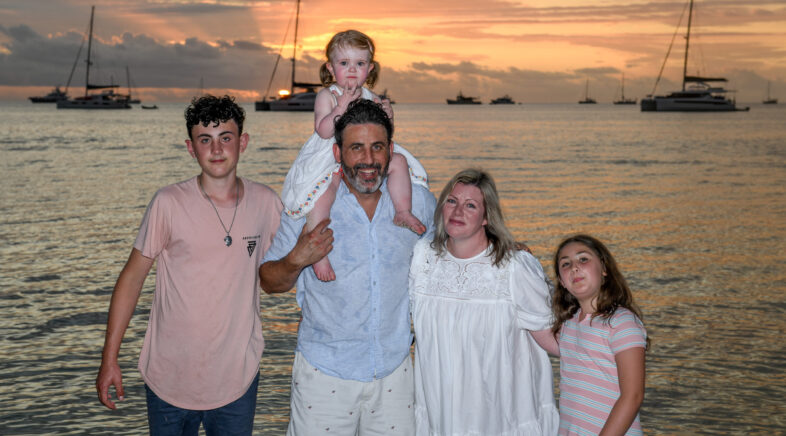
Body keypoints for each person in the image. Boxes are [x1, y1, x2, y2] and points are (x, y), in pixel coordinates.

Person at [96, 95, 283, 435]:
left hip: (236, 377)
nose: (216, 149)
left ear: (243, 142)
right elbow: (131, 278)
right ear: (190, 147)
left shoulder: (267, 202)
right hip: (169, 378)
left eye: (226, 138)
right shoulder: (168, 202)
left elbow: (279, 275)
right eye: (204, 139)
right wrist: (109, 359)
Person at [259, 98, 436, 435]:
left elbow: (458, 246)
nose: (368, 160)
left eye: (377, 147)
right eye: (356, 148)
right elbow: (268, 281)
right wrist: (298, 257)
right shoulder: (309, 204)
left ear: (391, 150)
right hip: (324, 375)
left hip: (395, 374)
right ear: (338, 153)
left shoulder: (419, 203)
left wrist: (505, 249)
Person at [408, 168, 559, 435]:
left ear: (487, 217)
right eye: (452, 201)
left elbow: (550, 339)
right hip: (440, 413)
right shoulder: (423, 258)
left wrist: (610, 349)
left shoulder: (514, 267)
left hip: (499, 415)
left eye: (471, 205)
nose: (457, 212)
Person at [281, 29, 428, 282]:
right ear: (330, 67)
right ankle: (318, 248)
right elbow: (323, 130)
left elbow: (383, 132)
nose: (352, 69)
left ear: (370, 69)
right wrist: (339, 108)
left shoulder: (371, 97)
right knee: (323, 191)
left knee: (399, 162)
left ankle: (403, 210)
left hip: (362, 151)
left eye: (359, 63)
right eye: (344, 63)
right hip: (328, 153)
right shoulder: (328, 95)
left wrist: (387, 115)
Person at [551, 234, 648, 436]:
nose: (574, 267)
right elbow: (537, 329)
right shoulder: (569, 324)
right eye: (566, 264)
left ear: (604, 269)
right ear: (561, 280)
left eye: (583, 259)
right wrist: (519, 258)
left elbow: (633, 395)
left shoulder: (621, 322)